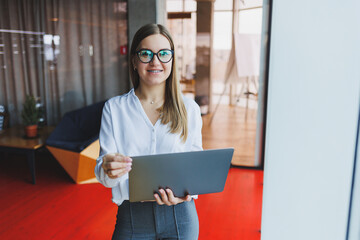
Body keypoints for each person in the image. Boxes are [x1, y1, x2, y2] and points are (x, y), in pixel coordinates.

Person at [95, 23, 203, 240]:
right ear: (134, 61)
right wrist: (107, 169)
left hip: (180, 218)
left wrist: (184, 195)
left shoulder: (189, 109)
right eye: (146, 53)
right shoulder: (114, 109)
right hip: (132, 218)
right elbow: (103, 174)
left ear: (172, 60)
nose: (156, 61)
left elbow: (195, 168)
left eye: (164, 54)